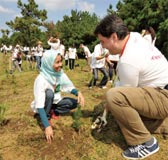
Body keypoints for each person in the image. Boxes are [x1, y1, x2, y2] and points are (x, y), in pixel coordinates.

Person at [94, 14, 168, 159]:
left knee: (114, 99)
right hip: (161, 91)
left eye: (103, 42)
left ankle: (146, 143)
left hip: (162, 97)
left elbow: (120, 94)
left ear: (114, 36)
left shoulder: (128, 60)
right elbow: (121, 82)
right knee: (127, 117)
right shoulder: (134, 37)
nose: (102, 46)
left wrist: (108, 107)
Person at [31, 49, 85, 143]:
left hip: (55, 101)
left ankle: (53, 110)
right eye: (57, 62)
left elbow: (67, 86)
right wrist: (47, 126)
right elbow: (39, 105)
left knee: (74, 103)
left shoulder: (59, 74)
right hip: (44, 105)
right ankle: (45, 117)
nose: (60, 64)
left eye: (61, 61)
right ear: (48, 63)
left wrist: (78, 92)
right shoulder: (41, 80)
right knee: (49, 93)